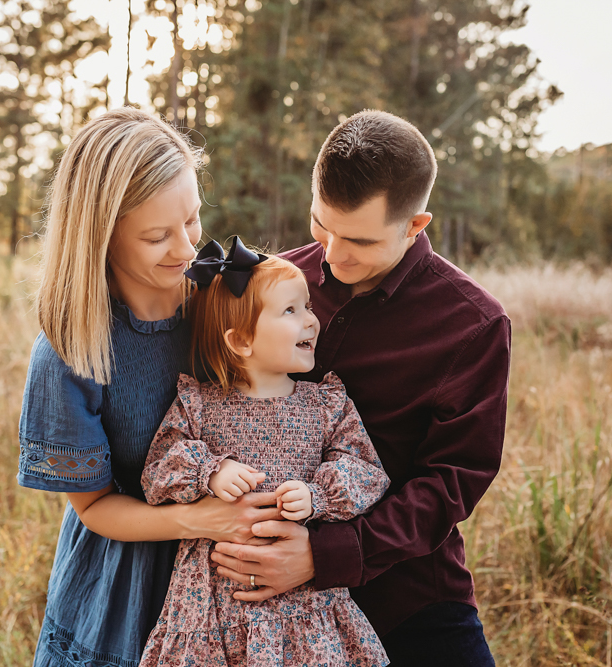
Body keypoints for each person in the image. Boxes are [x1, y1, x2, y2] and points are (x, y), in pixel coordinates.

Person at [209, 110, 511, 666]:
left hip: (406, 596)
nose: (331, 255)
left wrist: (324, 556)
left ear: (415, 225)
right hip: (263, 609)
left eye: (360, 241)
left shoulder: (473, 325)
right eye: (321, 226)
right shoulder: (272, 286)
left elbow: (451, 482)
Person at [17, 108, 280, 667]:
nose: (187, 249)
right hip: (121, 591)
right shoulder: (73, 347)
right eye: (158, 236)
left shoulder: (223, 302)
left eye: (192, 220)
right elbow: (91, 506)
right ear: (102, 236)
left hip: (231, 588)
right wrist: (199, 517)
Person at [138, 238, 391, 667]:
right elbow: (158, 470)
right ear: (242, 341)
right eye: (291, 311)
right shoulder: (200, 404)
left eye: (308, 306)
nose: (312, 320)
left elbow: (366, 469)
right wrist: (208, 473)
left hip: (305, 607)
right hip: (213, 606)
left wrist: (319, 495)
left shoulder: (326, 404)